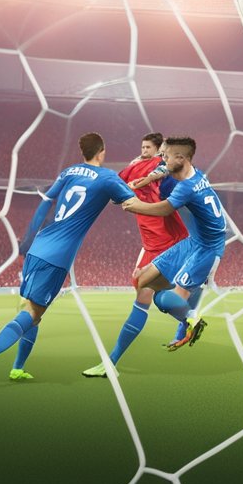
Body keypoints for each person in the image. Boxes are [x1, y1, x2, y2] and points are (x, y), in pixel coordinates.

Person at [0, 133, 135, 383]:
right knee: (33, 313)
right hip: (57, 257)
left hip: (39, 245)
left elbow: (45, 202)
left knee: (32, 311)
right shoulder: (107, 177)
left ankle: (17, 367)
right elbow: (130, 200)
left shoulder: (68, 172)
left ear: (83, 152)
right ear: (102, 151)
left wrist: (27, 240)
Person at [82, 134, 191, 378]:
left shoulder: (160, 167)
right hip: (151, 245)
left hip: (170, 243)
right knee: (148, 295)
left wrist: (145, 178)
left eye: (149, 148)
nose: (144, 151)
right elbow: (114, 195)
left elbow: (164, 170)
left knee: (148, 295)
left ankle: (111, 362)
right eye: (142, 147)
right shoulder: (134, 167)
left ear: (159, 150)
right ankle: (187, 320)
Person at [122, 136, 228, 351]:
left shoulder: (186, 188)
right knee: (142, 280)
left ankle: (193, 319)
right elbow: (162, 170)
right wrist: (143, 181)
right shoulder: (194, 172)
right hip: (193, 241)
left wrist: (134, 205)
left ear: (180, 158)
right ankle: (184, 303)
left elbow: (164, 209)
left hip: (207, 249)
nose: (162, 160)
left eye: (165, 156)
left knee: (164, 300)